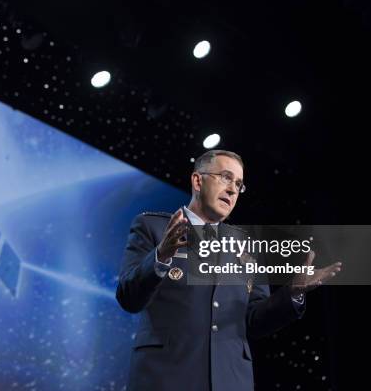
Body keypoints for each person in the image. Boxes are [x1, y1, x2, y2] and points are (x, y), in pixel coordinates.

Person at [116, 149, 342, 391]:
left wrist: (292, 293)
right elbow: (129, 298)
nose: (233, 189)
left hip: (230, 380)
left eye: (239, 184)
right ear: (197, 181)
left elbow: (254, 321)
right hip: (166, 377)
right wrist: (161, 256)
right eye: (225, 177)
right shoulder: (153, 227)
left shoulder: (248, 247)